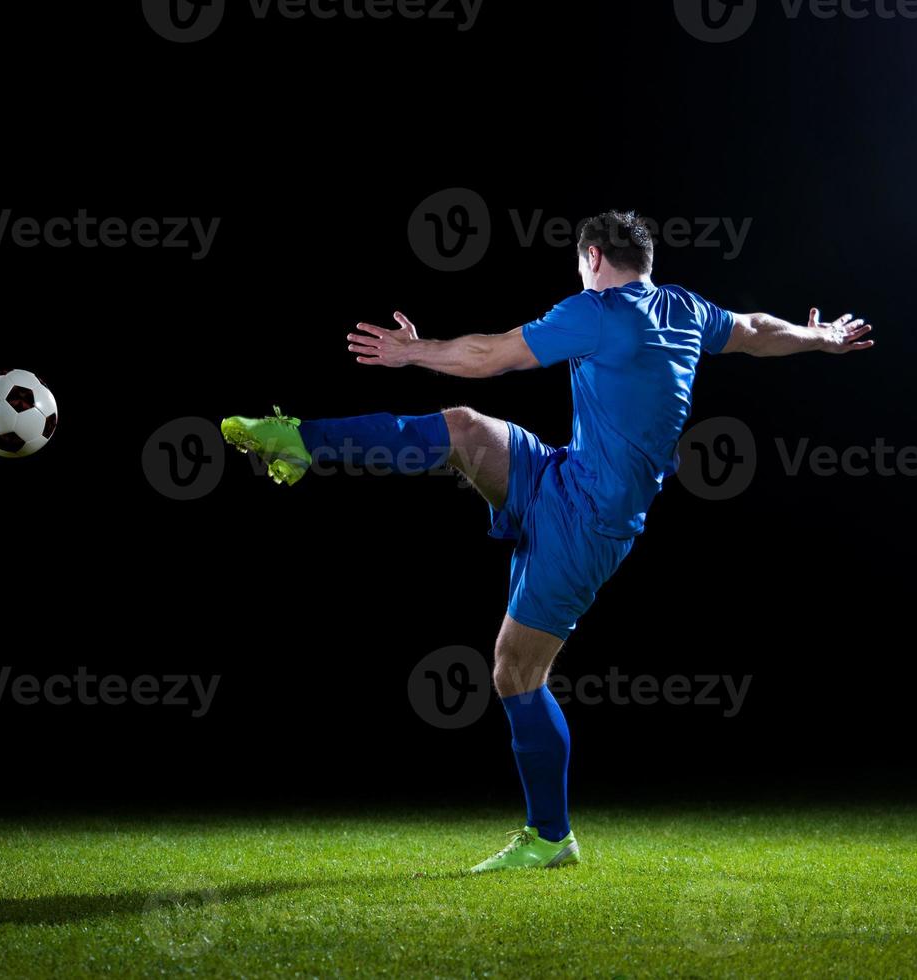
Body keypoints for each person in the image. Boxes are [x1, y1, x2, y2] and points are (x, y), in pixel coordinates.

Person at [220, 210, 874, 872]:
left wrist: (412, 351)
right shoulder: (684, 308)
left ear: (592, 257)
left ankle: (549, 837)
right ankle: (300, 440)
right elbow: (758, 333)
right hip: (563, 474)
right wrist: (816, 337)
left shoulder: (597, 310)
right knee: (466, 430)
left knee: (515, 668)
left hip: (592, 520)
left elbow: (491, 354)